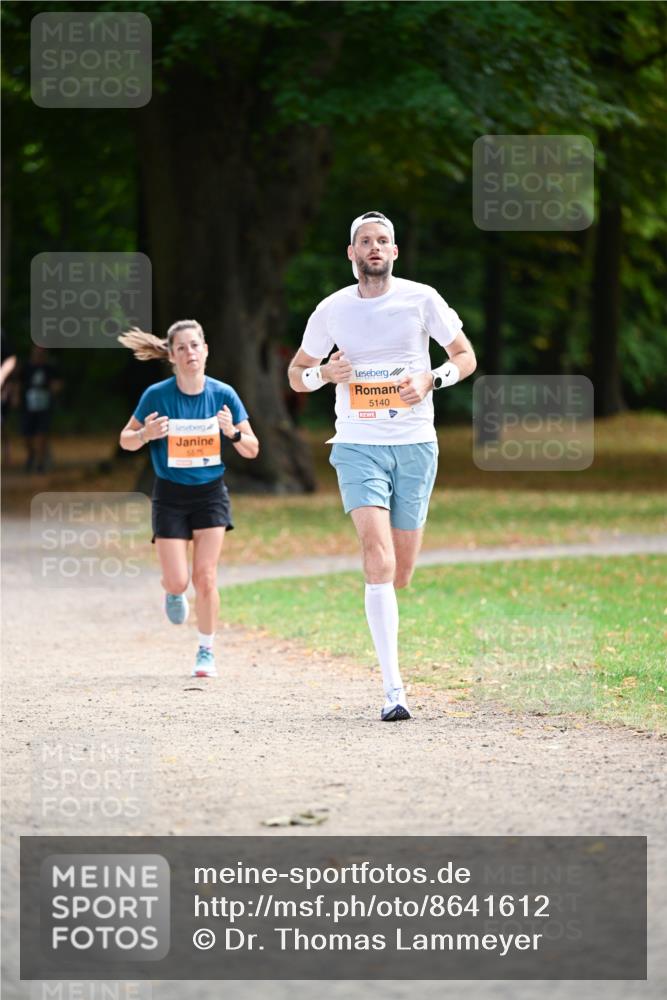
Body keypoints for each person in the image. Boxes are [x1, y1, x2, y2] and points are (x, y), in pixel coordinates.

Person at [288, 211, 476, 722]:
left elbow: (465, 355)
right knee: (377, 555)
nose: (374, 247)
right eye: (365, 241)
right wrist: (323, 374)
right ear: (352, 253)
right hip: (357, 444)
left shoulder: (422, 298)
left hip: (415, 444)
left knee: (400, 572)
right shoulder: (332, 310)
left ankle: (384, 613)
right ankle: (394, 690)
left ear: (394, 251)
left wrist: (432, 379)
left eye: (383, 240)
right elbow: (296, 372)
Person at [119, 319, 259, 679]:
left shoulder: (223, 394)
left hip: (211, 494)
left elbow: (252, 448)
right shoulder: (157, 395)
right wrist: (146, 434)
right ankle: (172, 591)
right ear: (172, 356)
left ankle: (206, 650)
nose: (190, 352)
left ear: (205, 350)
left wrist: (232, 432)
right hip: (170, 495)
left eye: (195, 345)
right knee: (179, 581)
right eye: (181, 347)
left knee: (206, 577)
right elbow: (125, 439)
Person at [20, 345, 62, 473]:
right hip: (28, 406)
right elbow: (18, 383)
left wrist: (55, 389)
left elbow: (57, 383)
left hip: (45, 406)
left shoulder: (50, 368)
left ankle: (40, 462)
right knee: (27, 435)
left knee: (41, 434)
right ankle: (31, 455)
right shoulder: (26, 368)